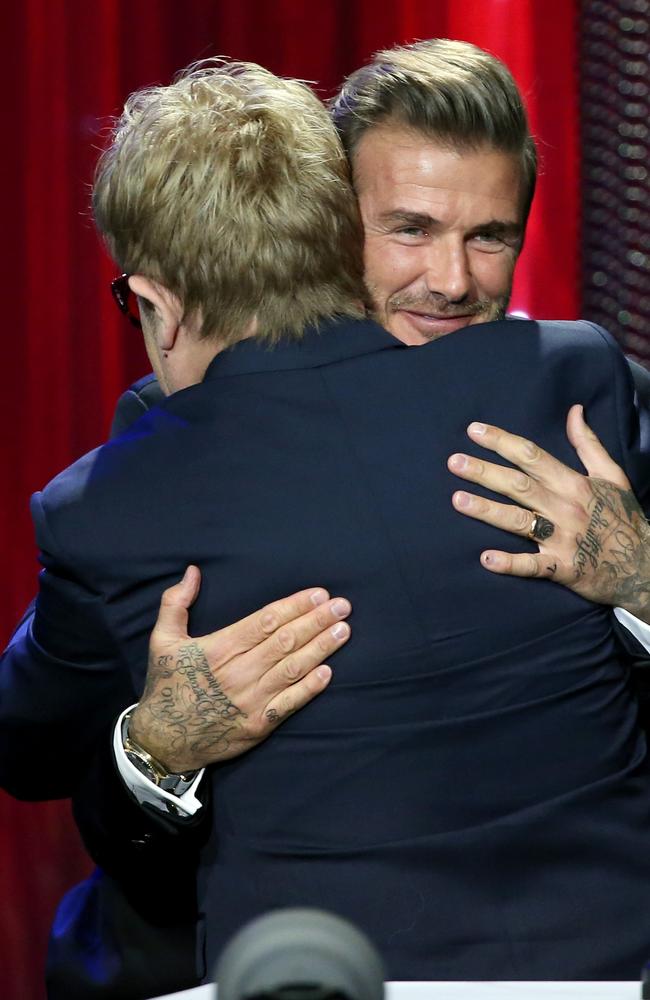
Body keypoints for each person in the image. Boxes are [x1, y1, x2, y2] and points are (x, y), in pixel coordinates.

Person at [2, 44, 650, 993]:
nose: (451, 283)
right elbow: (55, 750)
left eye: (490, 237)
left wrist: (643, 582)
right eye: (408, 229)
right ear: (324, 224)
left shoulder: (586, 398)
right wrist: (154, 749)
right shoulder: (156, 449)